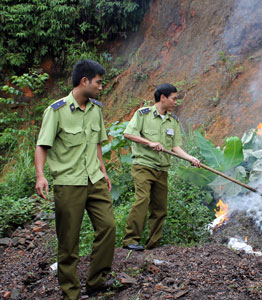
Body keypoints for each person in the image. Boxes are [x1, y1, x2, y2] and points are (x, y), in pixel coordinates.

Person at [34, 59, 116, 300]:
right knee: (69, 240)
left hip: (95, 180)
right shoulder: (56, 111)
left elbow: (97, 146)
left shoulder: (96, 110)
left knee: (108, 227)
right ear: (84, 81)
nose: (101, 87)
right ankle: (71, 291)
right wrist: (40, 176)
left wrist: (104, 171)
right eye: (99, 83)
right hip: (69, 182)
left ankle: (97, 281)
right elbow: (42, 145)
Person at [122, 83, 200, 251]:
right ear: (163, 97)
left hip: (162, 169)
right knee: (142, 200)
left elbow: (175, 147)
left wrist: (189, 158)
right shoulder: (143, 114)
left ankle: (152, 246)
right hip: (143, 165)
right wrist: (149, 142)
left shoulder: (173, 121)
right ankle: (130, 240)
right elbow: (128, 133)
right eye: (173, 99)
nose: (175, 102)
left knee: (160, 208)